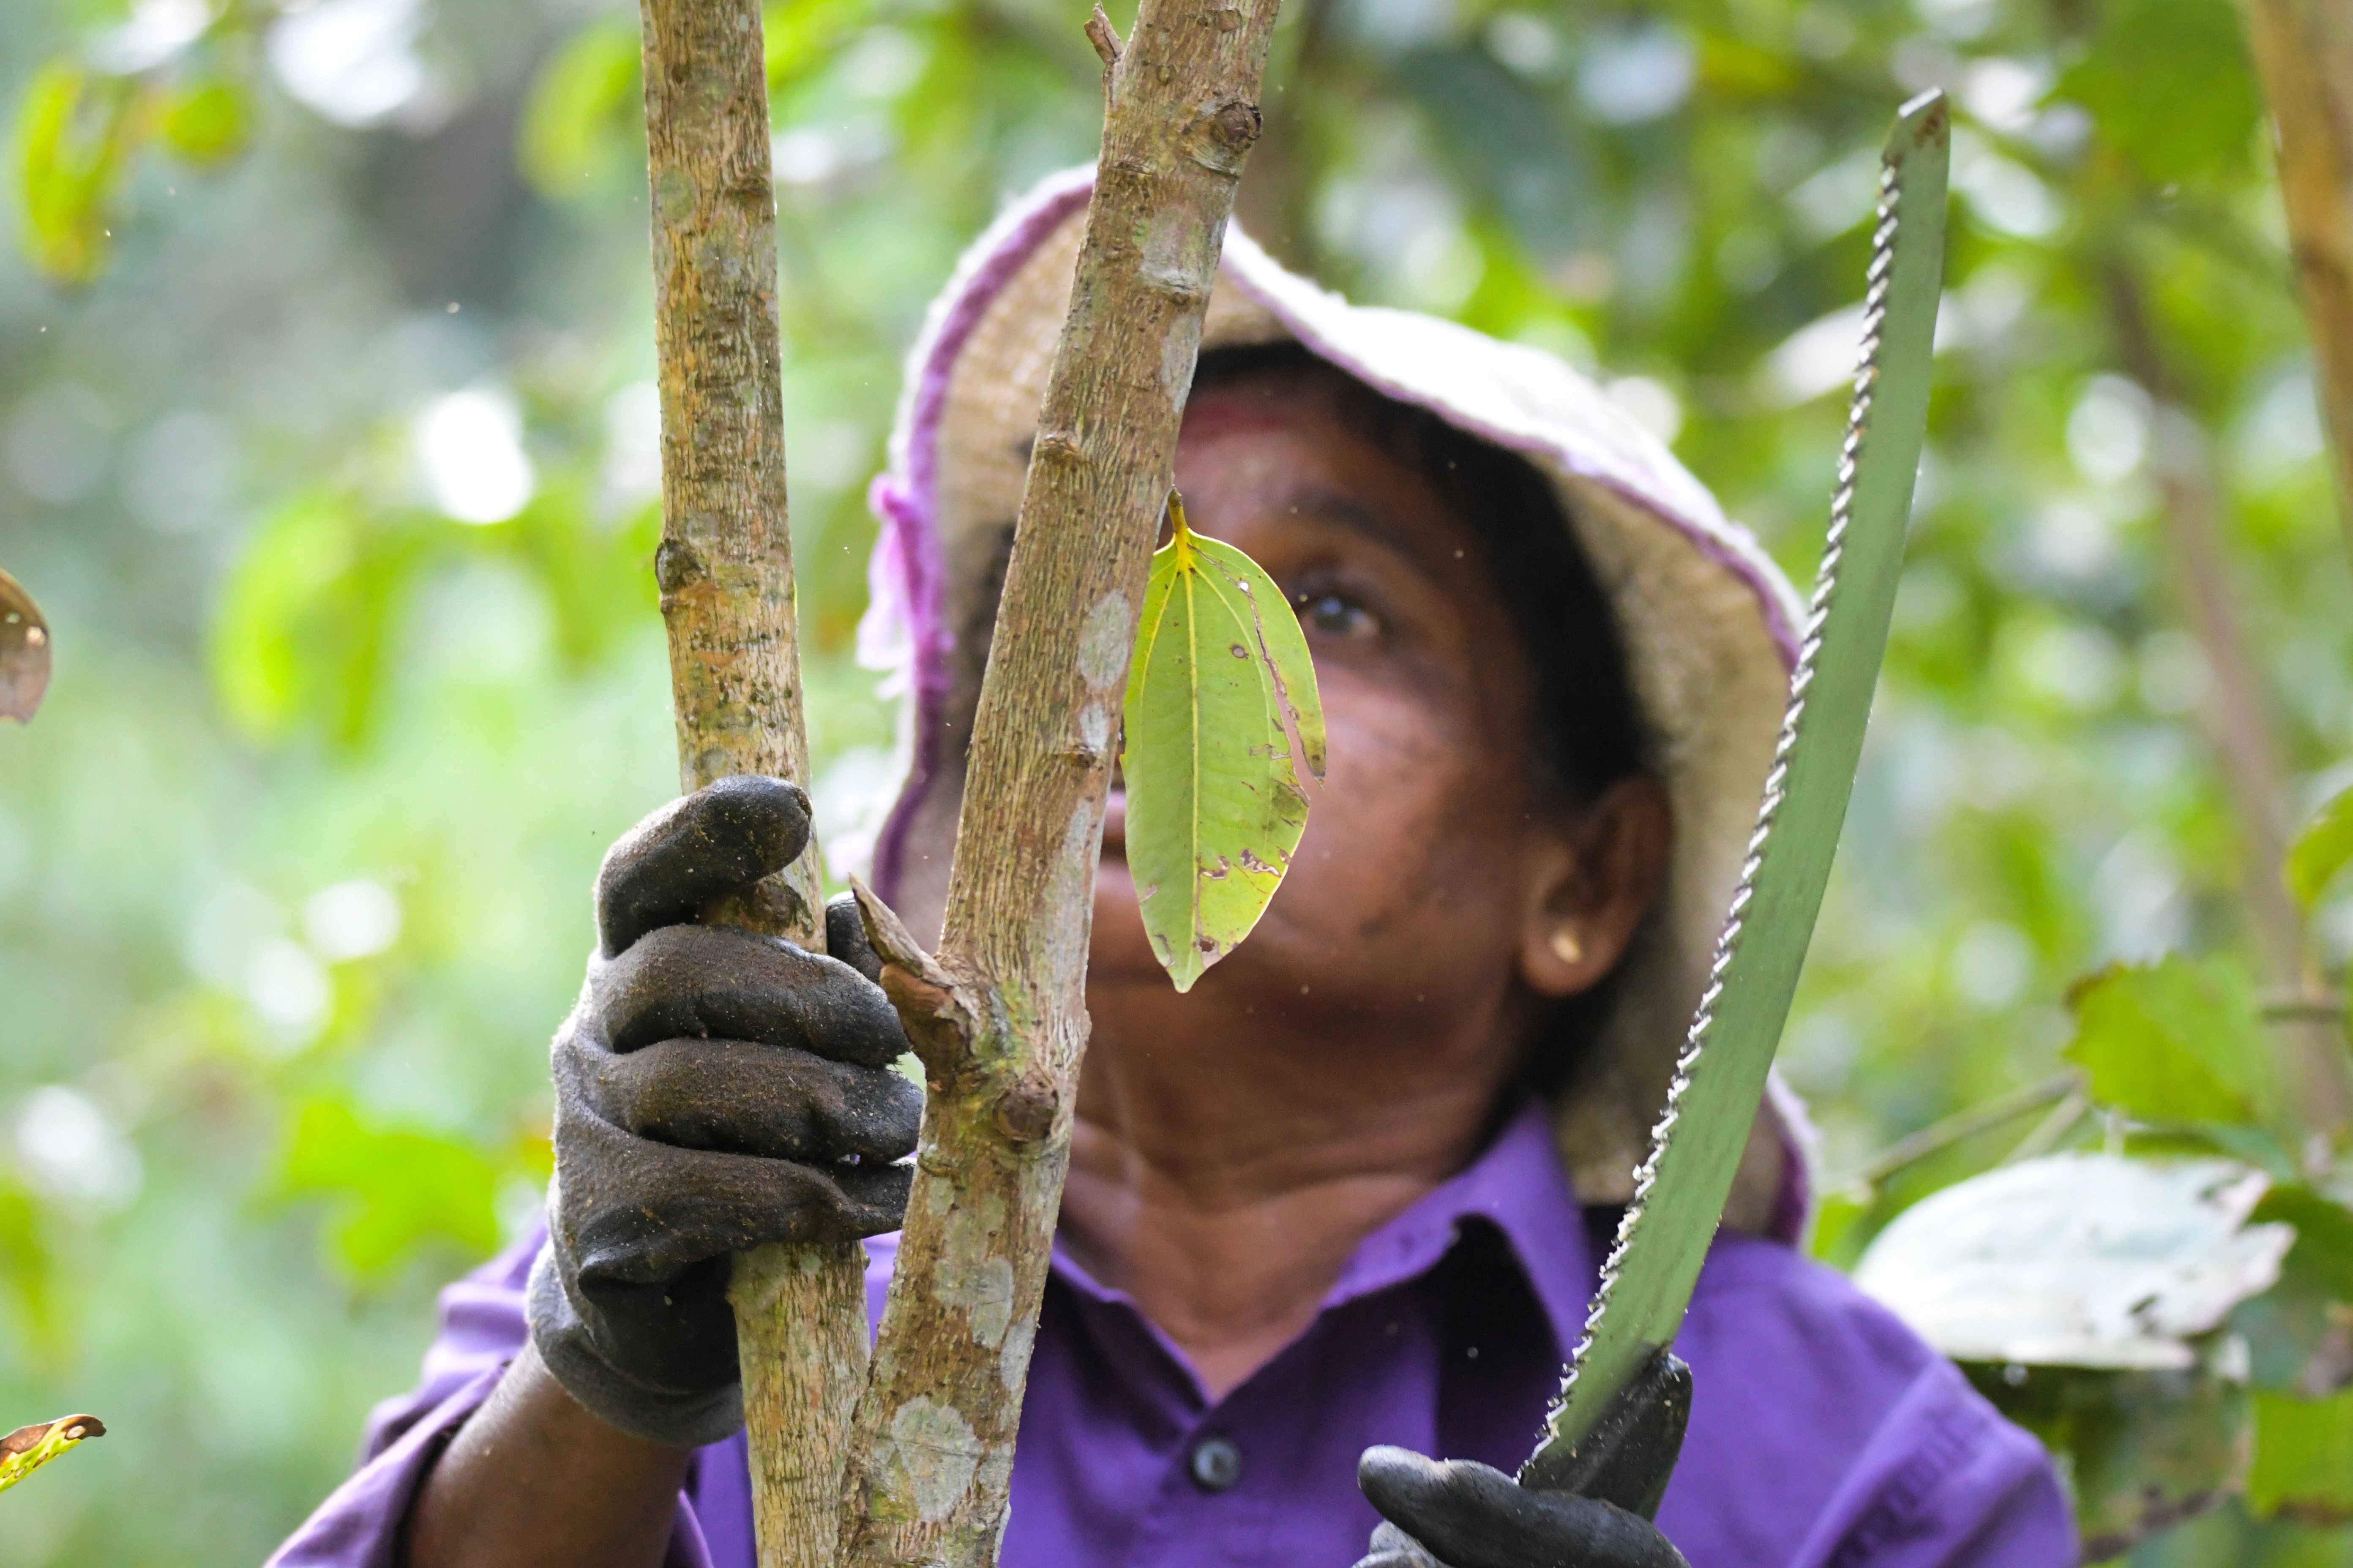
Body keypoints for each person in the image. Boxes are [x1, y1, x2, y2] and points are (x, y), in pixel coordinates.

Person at [271, 168, 2075, 1568]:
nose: (1148, 673)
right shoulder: (709, 1279)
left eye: (1337, 609)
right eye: (1091, 595)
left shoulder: (1859, 1471)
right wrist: (614, 1373)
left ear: (1587, 882)